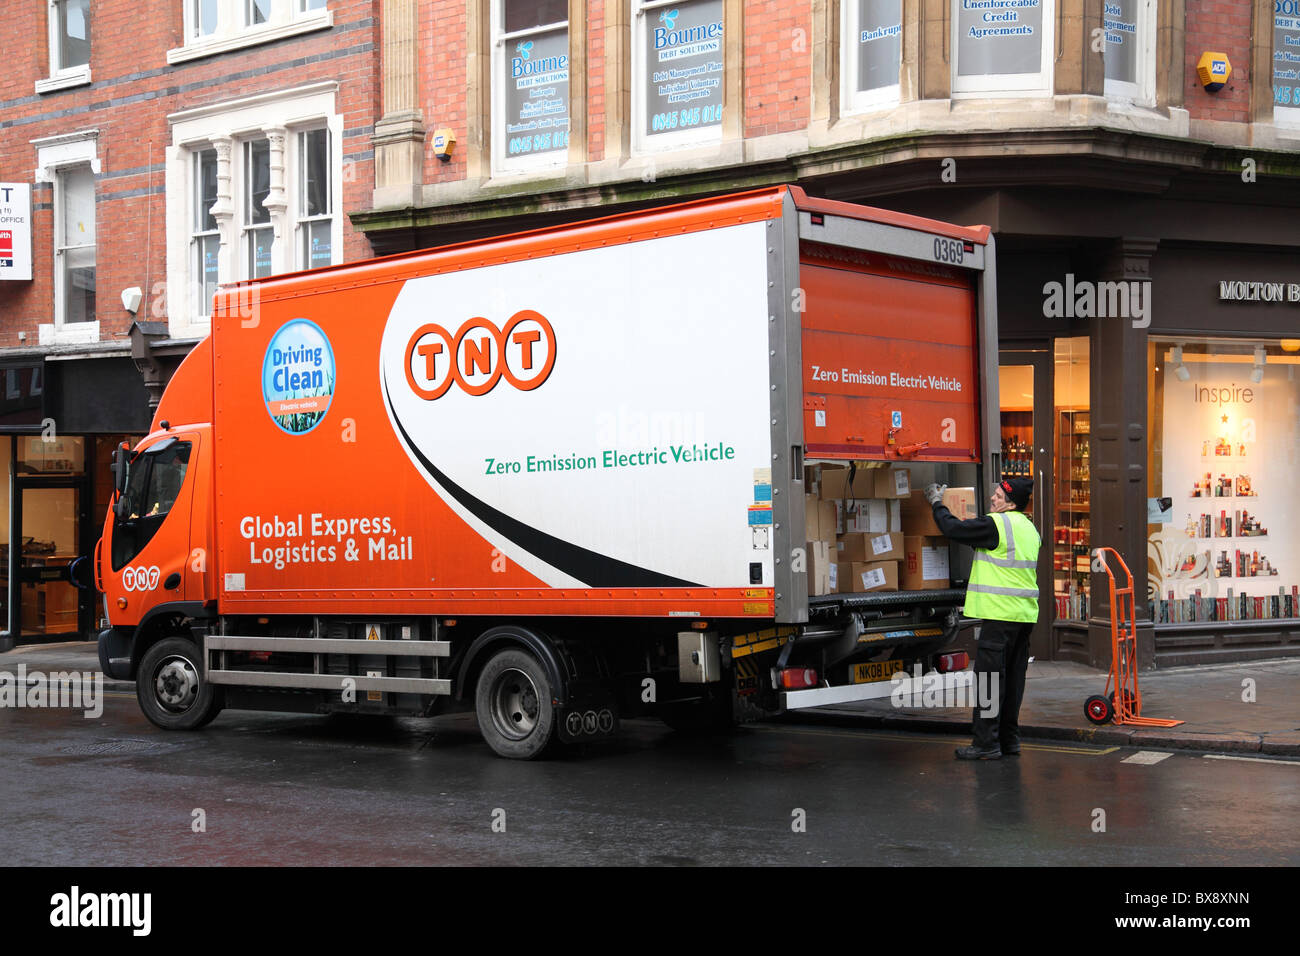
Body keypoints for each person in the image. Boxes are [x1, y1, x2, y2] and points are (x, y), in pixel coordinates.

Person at [923, 477, 1040, 760]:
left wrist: (937, 503)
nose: (992, 500)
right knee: (1013, 681)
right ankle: (1010, 741)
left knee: (989, 680)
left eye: (998, 497)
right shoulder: (1030, 528)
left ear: (1011, 503)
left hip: (999, 616)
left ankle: (986, 743)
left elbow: (953, 528)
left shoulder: (996, 525)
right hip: (1024, 616)